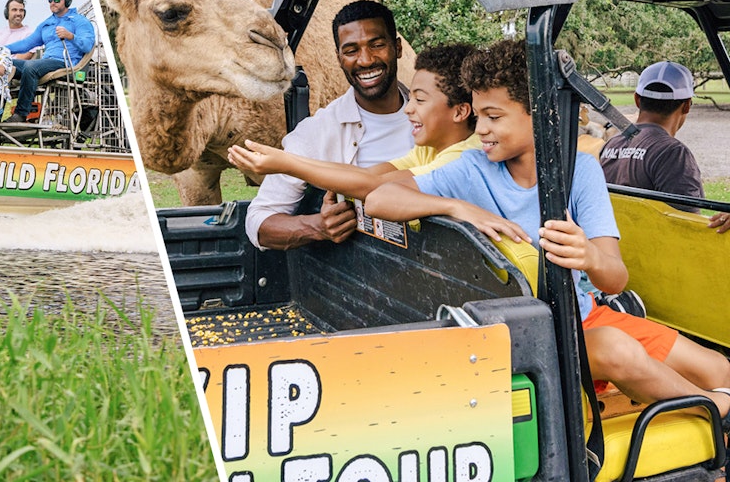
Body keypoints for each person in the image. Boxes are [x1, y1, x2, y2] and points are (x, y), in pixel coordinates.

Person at [364, 39, 730, 420]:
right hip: (525, 335)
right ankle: (716, 409)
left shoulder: (580, 171)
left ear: (538, 113)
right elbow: (379, 199)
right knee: (616, 350)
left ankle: (714, 404)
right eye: (478, 115)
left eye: (494, 116)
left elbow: (615, 279)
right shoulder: (470, 170)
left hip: (583, 317)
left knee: (719, 368)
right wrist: (456, 206)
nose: (482, 129)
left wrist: (588, 255)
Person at [244, 0, 414, 251]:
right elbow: (257, 222)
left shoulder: (439, 116)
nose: (365, 60)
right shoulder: (318, 132)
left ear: (397, 48)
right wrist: (316, 226)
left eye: (377, 45)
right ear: (339, 58)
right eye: (351, 51)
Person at [228, 43, 479, 202]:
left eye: (420, 101)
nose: (408, 109)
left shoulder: (465, 159)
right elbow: (366, 175)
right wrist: (286, 161)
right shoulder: (429, 151)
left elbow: (376, 186)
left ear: (460, 112)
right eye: (410, 98)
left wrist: (286, 165)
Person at [600, 61, 704, 213]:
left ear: (637, 99)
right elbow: (688, 225)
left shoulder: (611, 145)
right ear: (687, 105)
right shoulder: (673, 153)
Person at [2, 0, 95, 123]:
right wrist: (2, 50)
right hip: (46, 62)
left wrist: (71, 36)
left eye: (57, 0)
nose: (52, 3)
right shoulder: (47, 23)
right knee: (5, 64)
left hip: (65, 63)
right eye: (50, 0)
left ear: (67, 1)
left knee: (31, 67)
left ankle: (21, 114)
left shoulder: (79, 21)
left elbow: (88, 45)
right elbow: (26, 44)